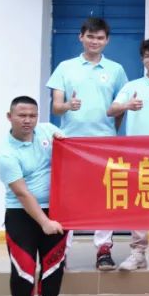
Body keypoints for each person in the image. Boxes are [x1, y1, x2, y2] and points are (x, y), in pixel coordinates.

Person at [46, 17, 128, 270]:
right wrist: (68, 105)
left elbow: (119, 107)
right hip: (70, 142)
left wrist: (110, 133)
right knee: (69, 198)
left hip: (104, 143)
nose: (95, 41)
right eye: (90, 36)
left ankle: (103, 249)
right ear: (81, 37)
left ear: (107, 40)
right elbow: (56, 107)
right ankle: (62, 251)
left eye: (100, 37)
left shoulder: (116, 70)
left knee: (105, 195)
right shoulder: (65, 67)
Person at [0, 96, 67, 296]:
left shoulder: (48, 131)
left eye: (32, 116)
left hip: (56, 210)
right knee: (23, 264)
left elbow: (72, 150)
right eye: (22, 115)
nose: (28, 120)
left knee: (54, 263)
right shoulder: (5, 154)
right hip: (21, 214)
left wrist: (65, 143)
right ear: (10, 117)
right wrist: (44, 222)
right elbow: (22, 193)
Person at [107, 38, 149, 271]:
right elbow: (111, 110)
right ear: (142, 59)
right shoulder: (131, 86)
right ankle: (138, 252)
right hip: (136, 154)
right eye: (148, 56)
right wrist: (126, 106)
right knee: (138, 202)